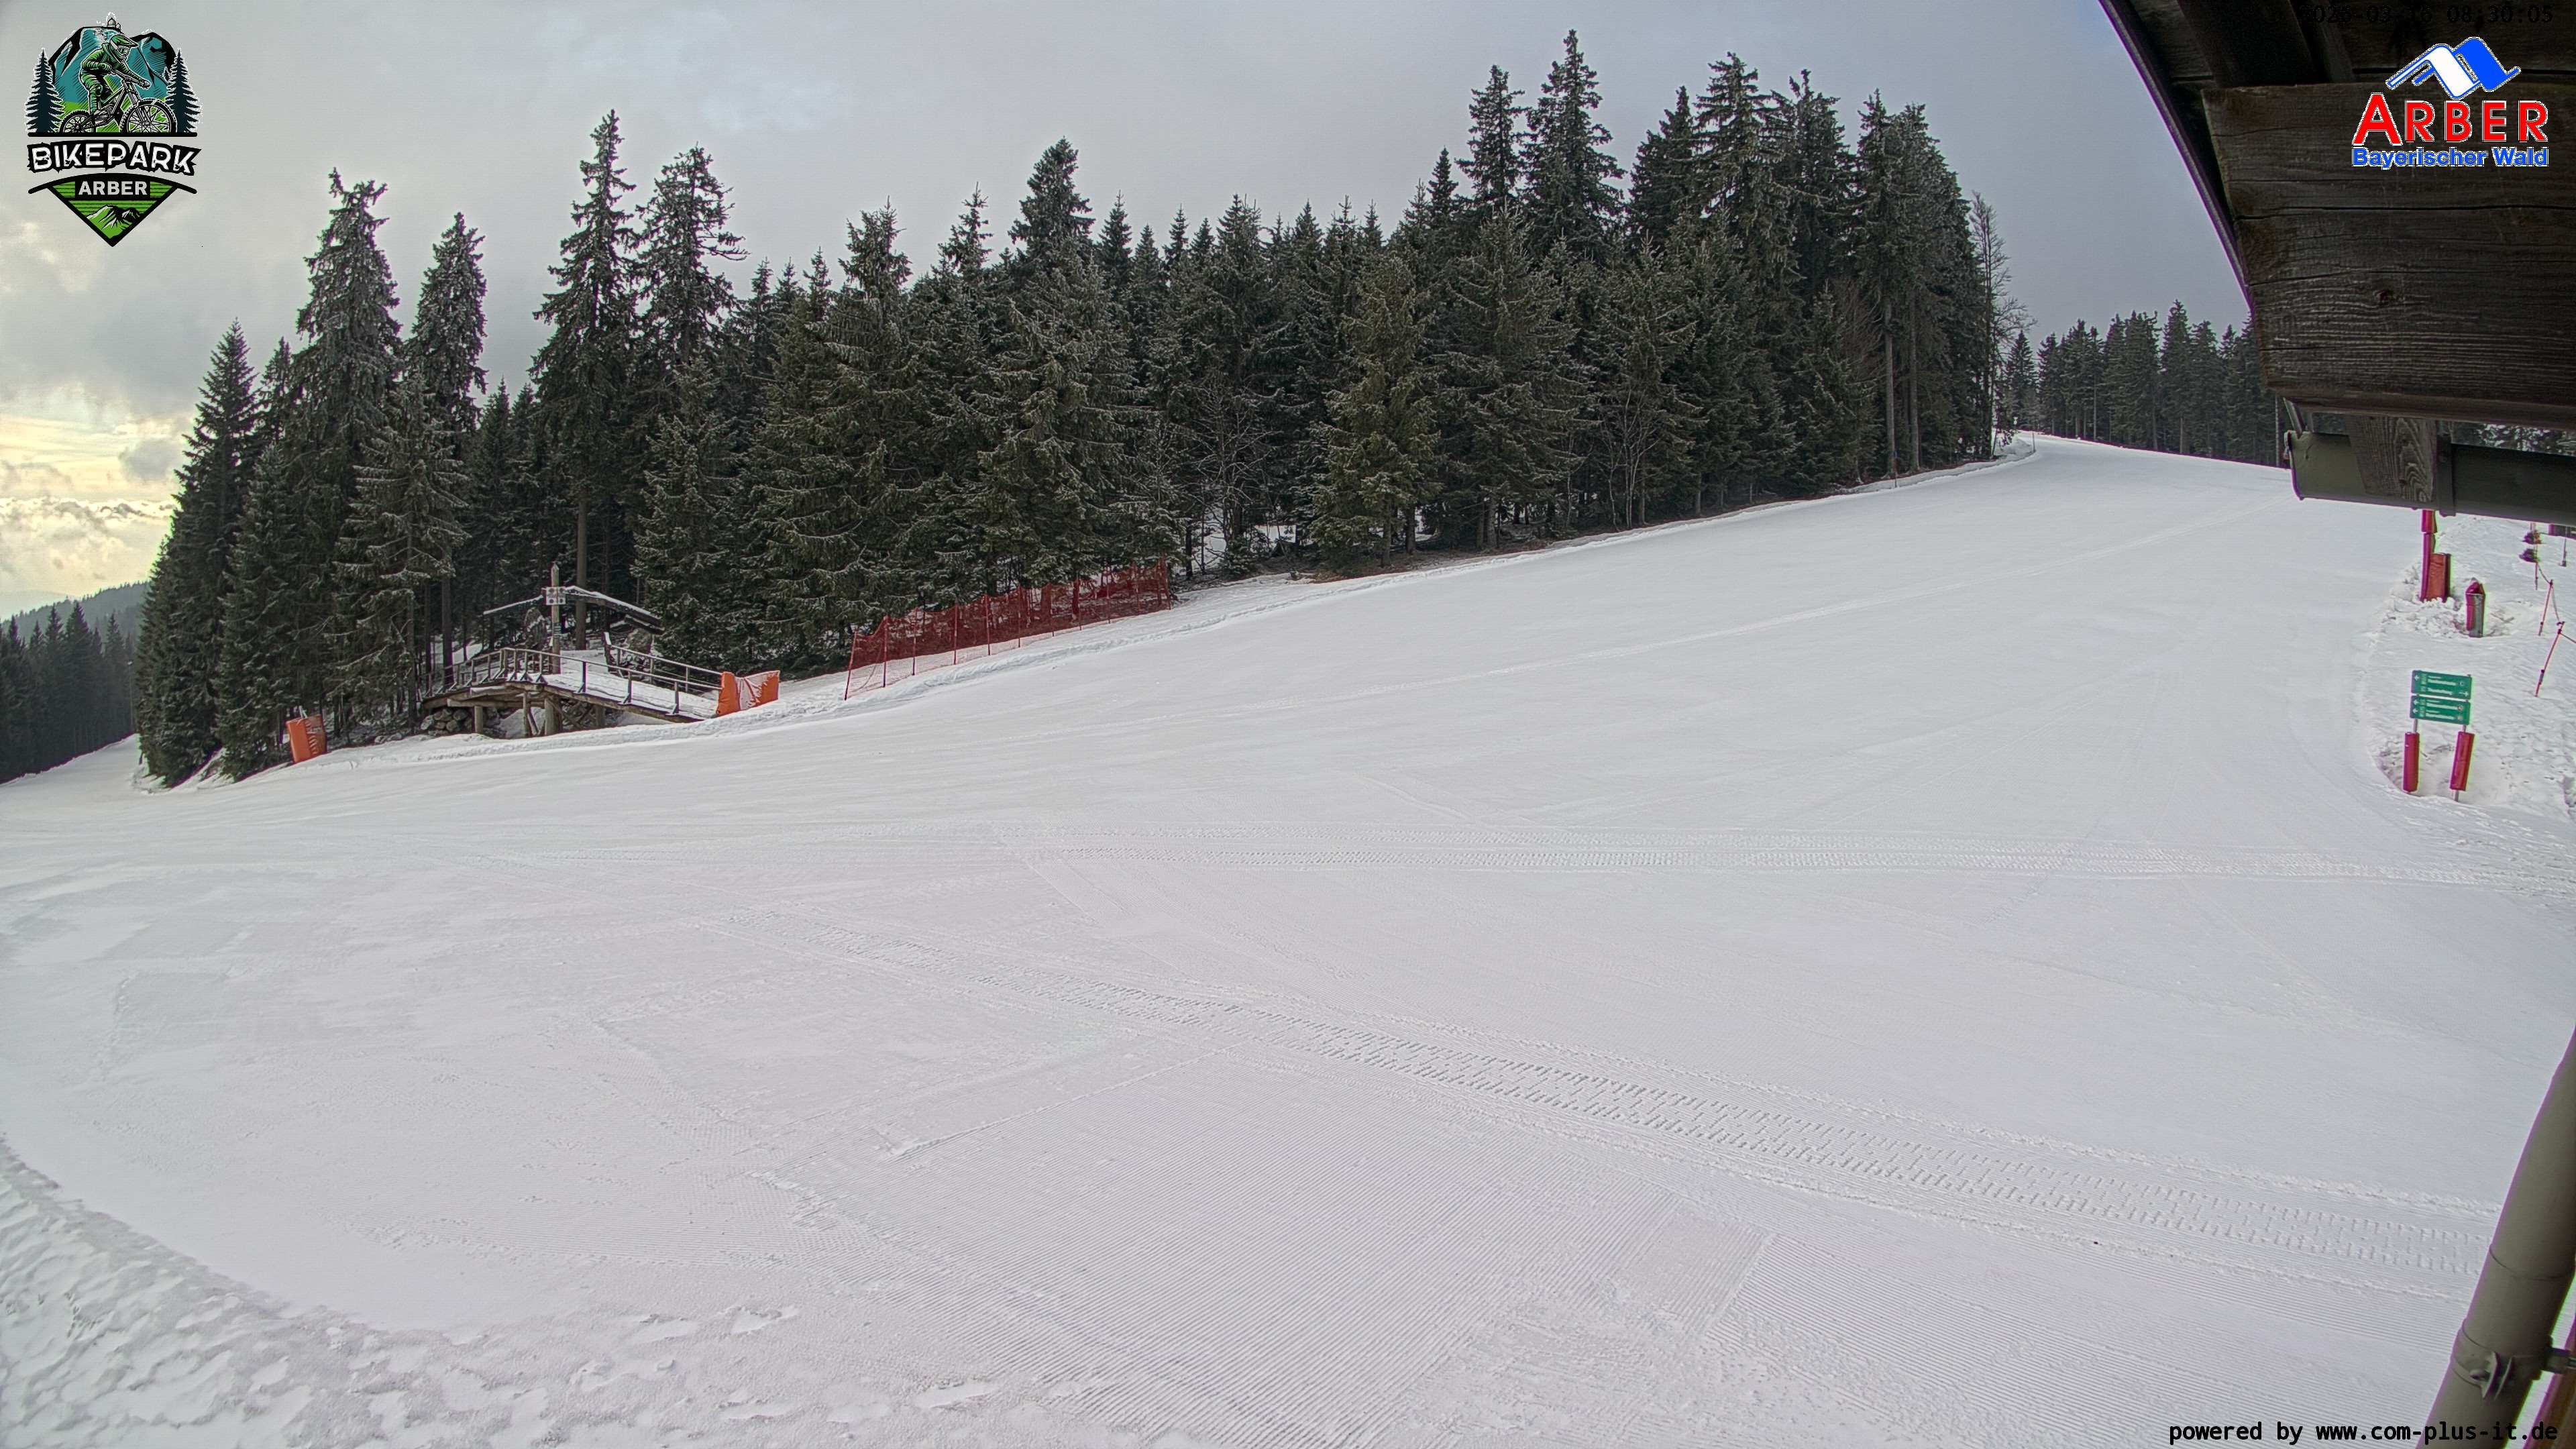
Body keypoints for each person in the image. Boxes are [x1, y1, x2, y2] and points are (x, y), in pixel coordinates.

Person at [77, 17, 147, 127]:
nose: (125, 54)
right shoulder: (101, 53)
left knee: (114, 105)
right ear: (114, 48)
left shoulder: (119, 62)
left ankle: (123, 128)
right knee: (96, 87)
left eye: (127, 51)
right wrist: (102, 65)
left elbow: (128, 72)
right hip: (88, 74)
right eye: (122, 50)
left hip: (99, 77)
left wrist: (140, 81)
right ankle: (94, 112)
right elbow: (85, 64)